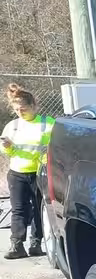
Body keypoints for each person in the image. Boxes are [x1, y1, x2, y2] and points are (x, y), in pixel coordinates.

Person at [3, 83, 55, 260]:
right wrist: (7, 146)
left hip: (39, 173)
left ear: (34, 106)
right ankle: (17, 244)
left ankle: (36, 243)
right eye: (17, 110)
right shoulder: (13, 126)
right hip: (17, 173)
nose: (20, 112)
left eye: (23, 109)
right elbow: (5, 151)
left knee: (39, 208)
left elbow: (56, 145)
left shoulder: (47, 124)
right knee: (18, 209)